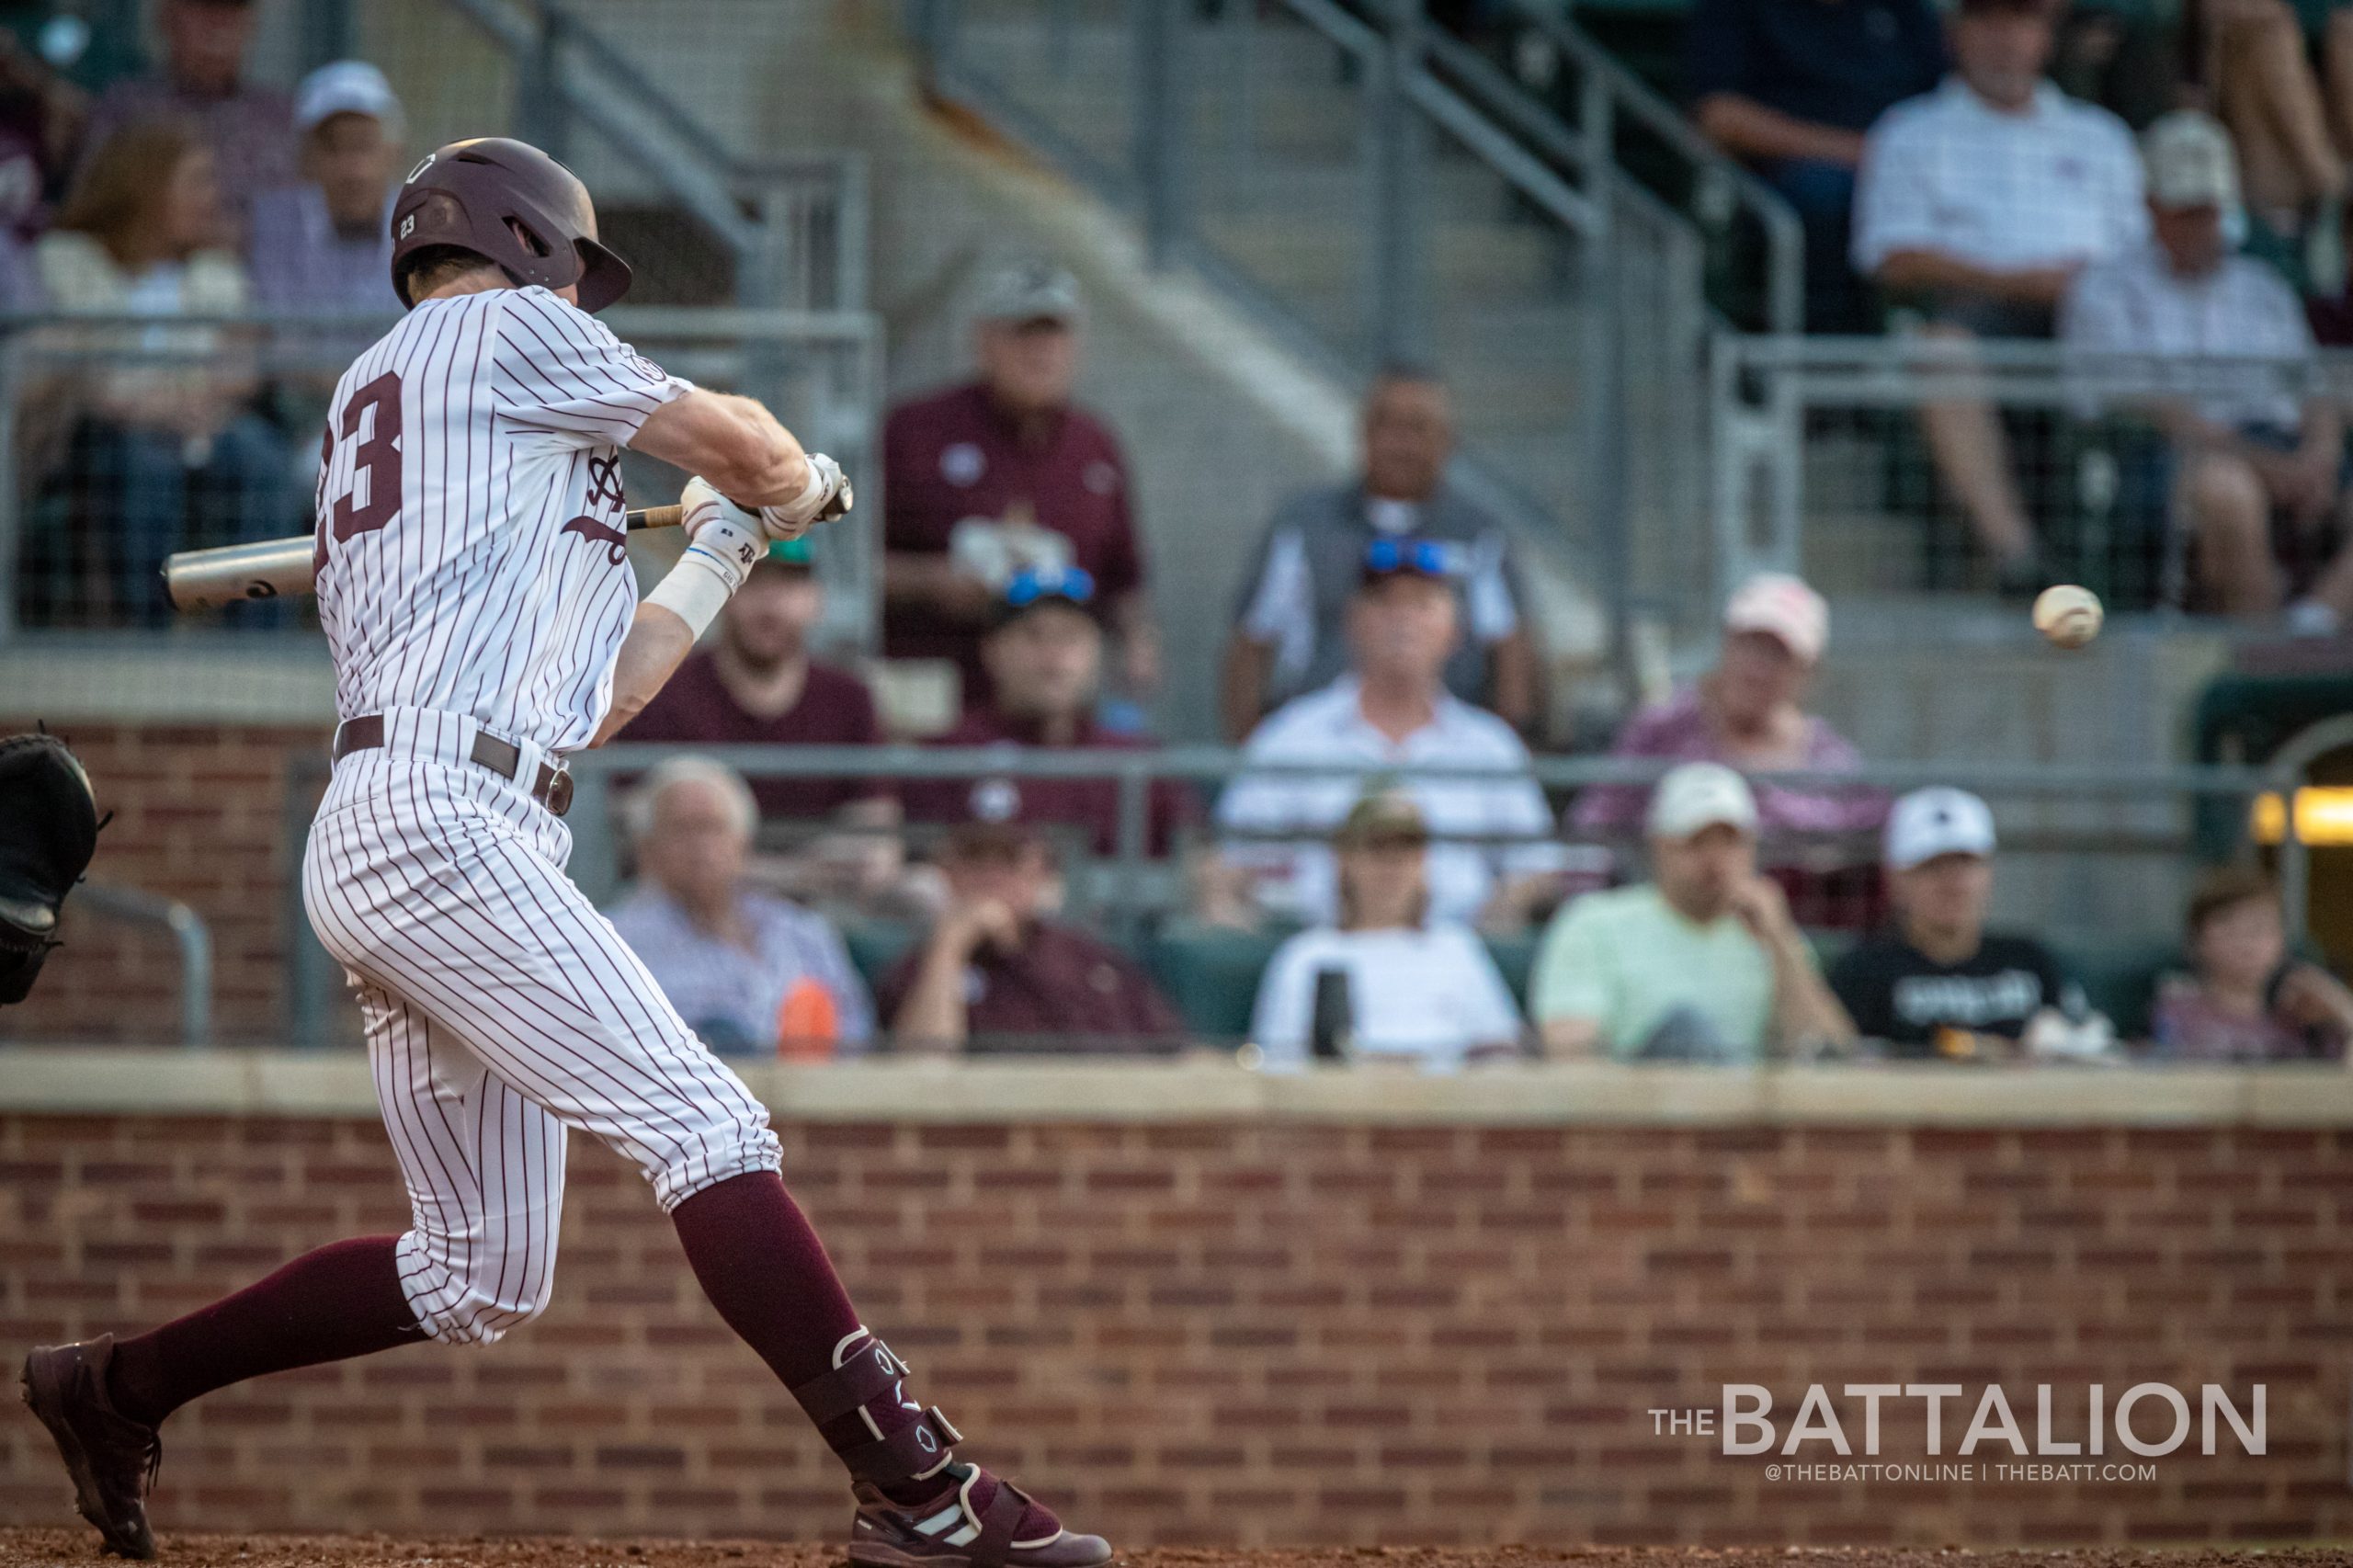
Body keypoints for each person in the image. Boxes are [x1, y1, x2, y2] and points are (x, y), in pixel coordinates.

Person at [19, 138, 1108, 1568]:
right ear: (530, 247)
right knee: (707, 1128)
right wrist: (777, 486)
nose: (586, 304)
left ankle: (117, 1386)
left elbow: (598, 701)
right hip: (442, 822)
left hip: (426, 819)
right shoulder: (498, 326)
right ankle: (921, 1488)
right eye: (578, 277)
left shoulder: (415, 422)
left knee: (478, 1271)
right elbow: (753, 444)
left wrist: (718, 554)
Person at [1852, 0, 2148, 592]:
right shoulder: (1910, 131)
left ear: (2046, 36)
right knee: (1940, 351)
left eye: (2023, 22)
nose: (2005, 40)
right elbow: (1891, 257)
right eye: (1988, 21)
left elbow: (2141, 256)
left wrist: (2079, 290)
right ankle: (2016, 555)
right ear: (1955, 34)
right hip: (1970, 317)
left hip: (2093, 322)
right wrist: (2018, 282)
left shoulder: (2101, 136)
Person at [2063, 112, 2353, 629]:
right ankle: (2261, 662)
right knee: (2228, 490)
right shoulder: (2104, 289)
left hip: (2277, 445)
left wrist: (2322, 455)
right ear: (2151, 206)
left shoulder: (2263, 287)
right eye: (2184, 209)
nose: (2199, 223)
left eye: (2208, 208)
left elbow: (2316, 387)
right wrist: (2271, 467)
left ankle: (2312, 623)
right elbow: (2151, 409)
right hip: (2163, 457)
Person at [1215, 539, 1563, 929]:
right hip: (1323, 947)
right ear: (1352, 620)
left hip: (1455, 952)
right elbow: (1232, 861)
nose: (1402, 619)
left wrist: (1501, 915)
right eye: (1383, 602)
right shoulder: (1291, 736)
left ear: (1454, 629)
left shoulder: (1491, 745)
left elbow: (1537, 868)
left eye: (1422, 604)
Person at [27, 119, 291, 628]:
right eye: (197, 181)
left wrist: (191, 404)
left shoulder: (217, 273)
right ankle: (143, 637)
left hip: (205, 425)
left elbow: (241, 373)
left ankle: (260, 643)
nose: (212, 198)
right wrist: (155, 405)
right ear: (145, 186)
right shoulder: (68, 264)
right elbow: (79, 375)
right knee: (146, 467)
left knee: (261, 456)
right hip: (104, 435)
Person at [881, 260, 1155, 710]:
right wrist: (932, 582)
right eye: (1023, 333)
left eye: (1054, 335)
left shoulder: (1095, 446)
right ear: (984, 341)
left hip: (1059, 702)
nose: (1041, 351)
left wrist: (1139, 641)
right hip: (937, 693)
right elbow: (848, 567)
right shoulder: (916, 432)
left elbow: (1124, 577)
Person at [1221, 366, 1540, 739]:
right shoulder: (1305, 525)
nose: (1401, 444)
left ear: (1448, 441)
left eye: (1418, 428)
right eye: (1387, 426)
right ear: (1363, 434)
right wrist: (1257, 755)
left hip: (1446, 757)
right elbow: (1252, 642)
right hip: (1319, 755)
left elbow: (1510, 652)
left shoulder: (1478, 532)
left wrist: (1497, 755)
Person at [1530, 763, 1856, 1062]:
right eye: (1696, 842)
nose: (1714, 860)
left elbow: (1831, 1056)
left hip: (1746, 1113)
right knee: (1685, 1031)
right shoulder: (1594, 923)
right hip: (1637, 1109)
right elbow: (1568, 1048)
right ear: (1660, 846)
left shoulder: (1771, 933)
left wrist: (1780, 941)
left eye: (1729, 842)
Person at [1683, 0, 1947, 330]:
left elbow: (1949, 101)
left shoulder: (1904, 12)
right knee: (1826, 191)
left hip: (1911, 174)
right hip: (1785, 184)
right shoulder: (1737, 10)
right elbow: (1718, 116)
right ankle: (1827, 360)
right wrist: (1857, 152)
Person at [903, 564, 1194, 858]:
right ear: (992, 650)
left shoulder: (1140, 764)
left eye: (1071, 637)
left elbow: (1201, 865)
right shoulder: (945, 758)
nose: (1054, 656)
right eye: (1034, 635)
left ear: (1097, 652)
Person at [1570, 573, 1883, 844]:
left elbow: (1873, 844)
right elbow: (1596, 824)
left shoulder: (1829, 757)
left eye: (1778, 654)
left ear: (1807, 671)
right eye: (1749, 644)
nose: (1757, 668)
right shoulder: (1664, 727)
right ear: (1725, 643)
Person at [608, 756, 874, 1059]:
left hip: (818, 1097)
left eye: (714, 828)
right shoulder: (616, 940)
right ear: (646, 848)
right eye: (682, 829)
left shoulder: (802, 930)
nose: (701, 847)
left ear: (743, 844)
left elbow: (857, 1034)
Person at [1248, 789, 1525, 1069]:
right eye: (1378, 849)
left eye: (1406, 851)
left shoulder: (1457, 949)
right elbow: (1275, 1065)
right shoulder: (1305, 955)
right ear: (1345, 860)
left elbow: (1501, 1055)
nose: (1392, 867)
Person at [621, 536, 889, 822]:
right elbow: (628, 821)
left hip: (814, 867)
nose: (770, 603)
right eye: (752, 579)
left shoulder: (849, 699)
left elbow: (876, 835)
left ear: (817, 598)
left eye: (789, 583)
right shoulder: (663, 690)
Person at [1827, 786, 2109, 1058]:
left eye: (1965, 862)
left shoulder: (2031, 959)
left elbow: (2091, 1040)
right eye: (1931, 866)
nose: (1952, 882)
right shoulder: (1864, 971)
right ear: (1895, 879)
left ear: (1989, 871)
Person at [879, 802, 1183, 1053]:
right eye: (974, 857)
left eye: (1008, 859)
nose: (991, 876)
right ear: (947, 872)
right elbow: (922, 1069)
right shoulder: (921, 966)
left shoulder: (1087, 959)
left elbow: (1173, 1054)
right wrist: (950, 946)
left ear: (1039, 870)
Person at [80, 0, 292, 246]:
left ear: (251, 24)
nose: (219, 26)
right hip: (145, 273)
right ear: (166, 19)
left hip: (262, 274)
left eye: (233, 11)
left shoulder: (280, 117)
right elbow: (94, 214)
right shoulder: (125, 108)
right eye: (202, 9)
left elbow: (306, 223)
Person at [246, 61, 404, 312]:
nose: (352, 168)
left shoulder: (424, 225)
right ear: (306, 158)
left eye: (364, 145)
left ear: (393, 151)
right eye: (334, 147)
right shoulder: (273, 224)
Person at [2151, 864, 2353, 1061]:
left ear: (2282, 943)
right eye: (2229, 929)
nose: (2246, 942)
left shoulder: (2305, 1023)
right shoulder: (2176, 1013)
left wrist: (2341, 1008)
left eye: (2259, 928)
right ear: (2196, 940)